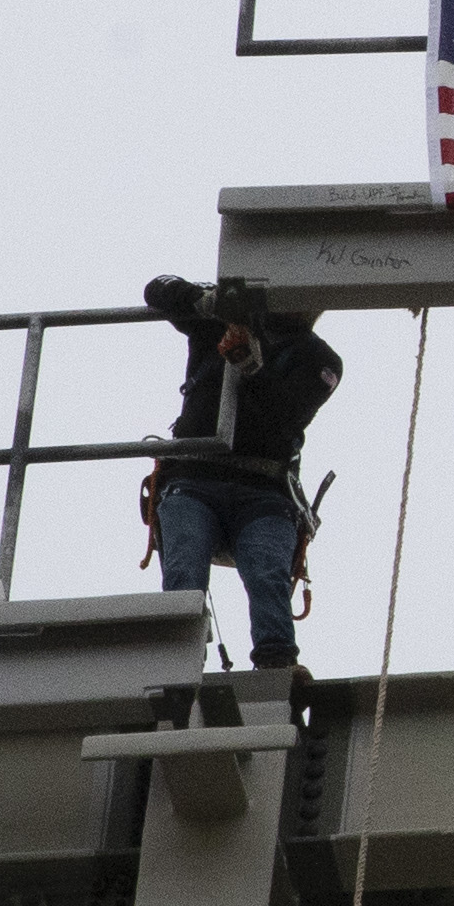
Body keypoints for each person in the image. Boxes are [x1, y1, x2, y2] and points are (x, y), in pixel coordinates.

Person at [138, 275, 345, 663]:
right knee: (184, 572)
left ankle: (276, 662)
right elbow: (156, 289)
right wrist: (202, 301)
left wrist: (252, 367)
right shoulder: (221, 316)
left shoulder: (319, 361)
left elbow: (286, 415)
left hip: (263, 488)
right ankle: (178, 661)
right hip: (194, 478)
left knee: (267, 575)